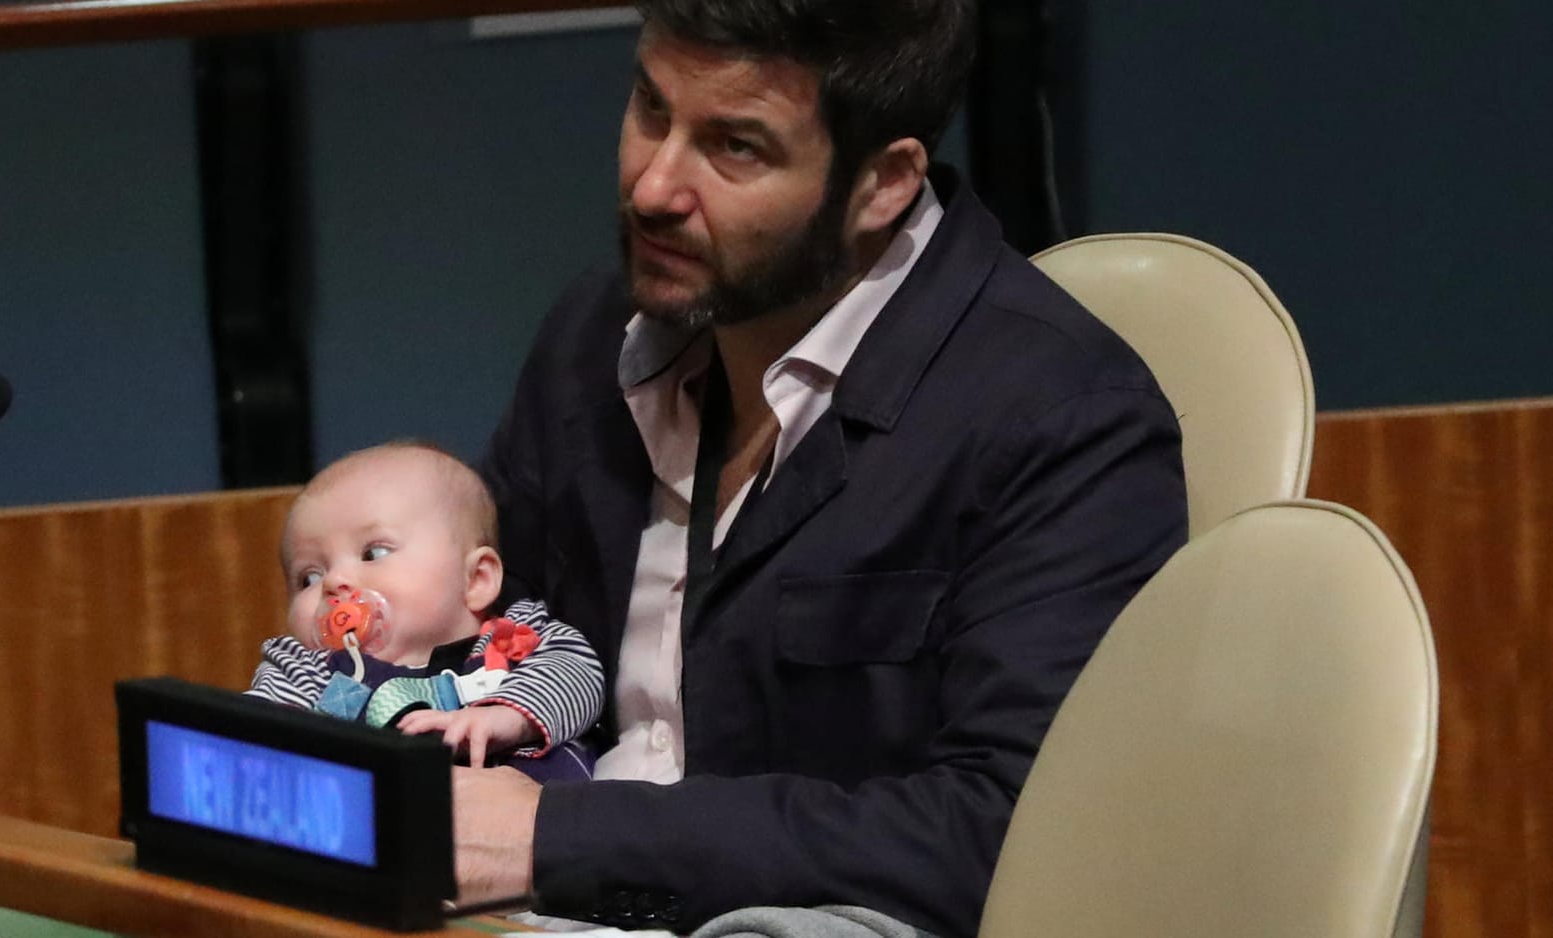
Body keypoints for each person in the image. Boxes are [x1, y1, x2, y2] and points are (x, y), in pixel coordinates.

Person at [457, 0, 1189, 933]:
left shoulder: (1065, 419)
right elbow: (482, 647)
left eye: (735, 148)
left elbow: (1011, 835)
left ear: (883, 184)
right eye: (650, 108)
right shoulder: (590, 338)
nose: (652, 186)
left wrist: (562, 837)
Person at [247, 441, 603, 779]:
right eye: (309, 577)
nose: (334, 581)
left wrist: (508, 716)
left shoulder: (512, 641)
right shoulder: (307, 673)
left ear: (476, 580)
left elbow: (581, 674)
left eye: (373, 554)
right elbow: (253, 737)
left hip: (538, 829)